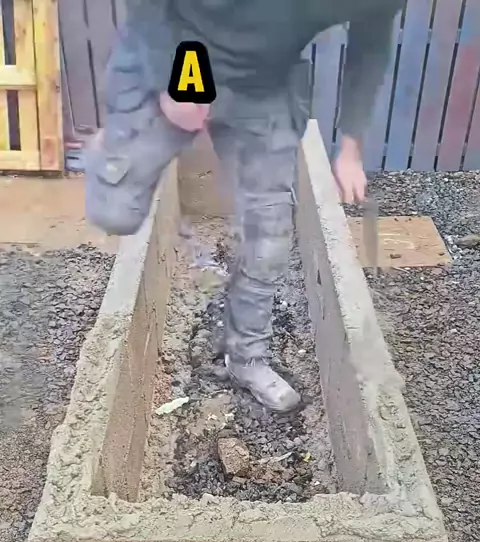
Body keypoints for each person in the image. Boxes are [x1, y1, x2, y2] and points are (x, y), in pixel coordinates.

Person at [86, 0, 404, 412]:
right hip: (186, 47)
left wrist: (351, 147)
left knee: (269, 238)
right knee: (115, 212)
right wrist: (175, 79)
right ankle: (111, 147)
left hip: (264, 86)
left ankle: (247, 358)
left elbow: (371, 45)